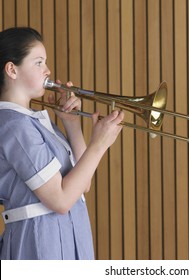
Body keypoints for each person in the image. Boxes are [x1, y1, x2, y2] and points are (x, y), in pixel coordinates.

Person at [0, 27, 124, 259]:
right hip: (39, 241)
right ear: (11, 70)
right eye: (38, 62)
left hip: (67, 233)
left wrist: (72, 125)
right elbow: (60, 200)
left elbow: (81, 185)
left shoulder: (32, 120)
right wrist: (99, 145)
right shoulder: (15, 126)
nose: (47, 70)